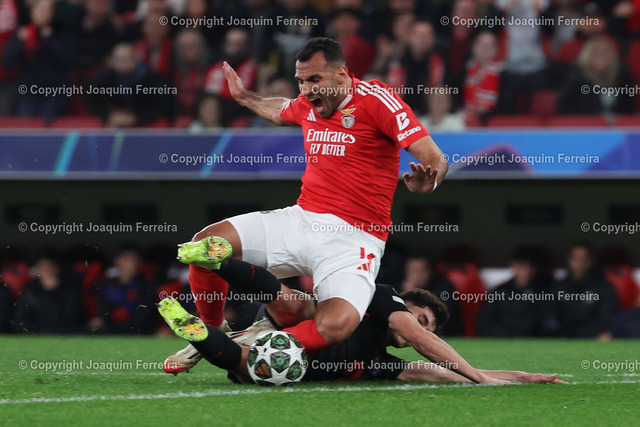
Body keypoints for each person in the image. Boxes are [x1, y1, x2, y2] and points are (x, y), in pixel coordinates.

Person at [166, 37, 448, 368]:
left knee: (337, 325)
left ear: (341, 75)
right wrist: (245, 98)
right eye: (301, 81)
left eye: (315, 79)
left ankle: (256, 351)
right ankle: (213, 333)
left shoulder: (378, 100)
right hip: (303, 219)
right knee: (205, 246)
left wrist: (430, 180)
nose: (306, 89)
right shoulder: (309, 103)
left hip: (355, 238)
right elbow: (280, 109)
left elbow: (435, 156)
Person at [158, 257, 565, 385]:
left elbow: (441, 373)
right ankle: (220, 261)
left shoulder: (381, 362)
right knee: (294, 303)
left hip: (288, 357)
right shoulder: (379, 295)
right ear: (406, 304)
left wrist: (520, 377)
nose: (421, 331)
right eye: (422, 320)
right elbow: (423, 342)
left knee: (248, 368)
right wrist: (481, 380)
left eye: (427, 328)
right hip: (298, 320)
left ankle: (199, 333)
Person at [476, 246, 554, 337]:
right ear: (513, 265)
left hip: (530, 341)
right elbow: (484, 322)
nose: (526, 270)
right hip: (501, 341)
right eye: (522, 265)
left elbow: (546, 325)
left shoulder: (544, 293)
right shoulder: (499, 292)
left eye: (531, 266)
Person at [553, 243, 618, 339]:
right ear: (569, 261)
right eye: (576, 258)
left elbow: (607, 319)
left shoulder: (604, 288)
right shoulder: (558, 288)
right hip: (564, 338)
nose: (580, 262)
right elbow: (551, 319)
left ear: (592, 261)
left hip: (594, 338)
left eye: (584, 258)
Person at [557, 36, 635, 115]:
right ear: (587, 55)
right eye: (596, 52)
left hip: (617, 121)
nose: (601, 56)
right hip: (585, 121)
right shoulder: (577, 77)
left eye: (605, 52)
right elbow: (564, 106)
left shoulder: (621, 76)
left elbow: (629, 106)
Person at [12, 252, 84, 334]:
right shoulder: (29, 290)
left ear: (58, 268)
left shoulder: (70, 290)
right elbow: (20, 320)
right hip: (35, 334)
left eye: (51, 266)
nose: (47, 270)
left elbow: (72, 318)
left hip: (64, 333)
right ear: (38, 269)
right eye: (43, 267)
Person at [91, 245, 156, 334]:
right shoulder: (106, 285)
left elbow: (143, 317)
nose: (131, 263)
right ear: (117, 261)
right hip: (109, 330)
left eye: (134, 260)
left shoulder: (147, 287)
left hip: (138, 331)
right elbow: (102, 313)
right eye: (126, 259)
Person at [400, 254, 463, 335]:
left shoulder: (443, 286)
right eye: (411, 271)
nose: (416, 275)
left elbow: (441, 318)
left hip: (446, 335)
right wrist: (407, 292)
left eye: (420, 271)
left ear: (429, 271)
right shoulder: (397, 287)